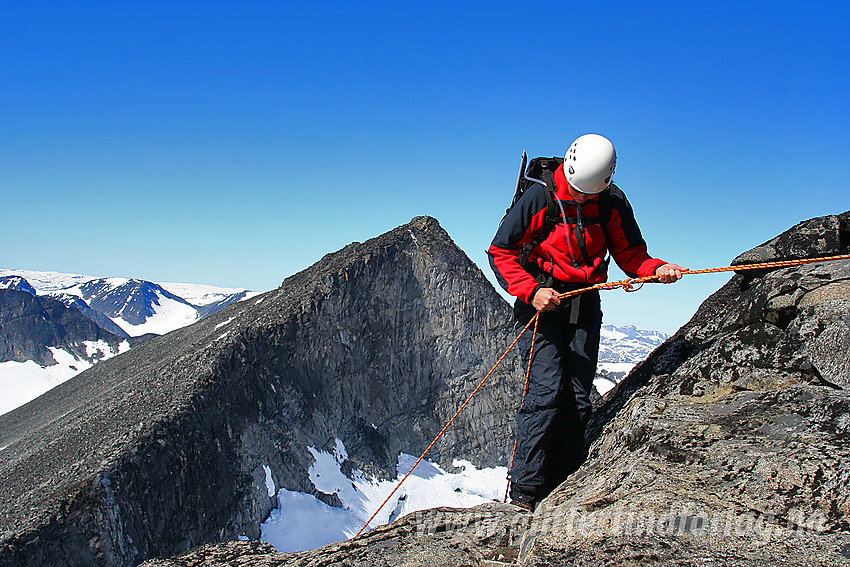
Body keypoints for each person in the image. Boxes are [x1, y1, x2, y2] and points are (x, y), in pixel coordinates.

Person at [488, 133, 686, 511]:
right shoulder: (540, 195)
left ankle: (562, 484)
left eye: (587, 194)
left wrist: (657, 269)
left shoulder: (610, 202)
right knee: (545, 394)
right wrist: (531, 292)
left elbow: (631, 254)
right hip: (541, 305)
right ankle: (526, 494)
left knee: (578, 396)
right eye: (577, 191)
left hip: (584, 304)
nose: (581, 198)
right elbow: (501, 251)